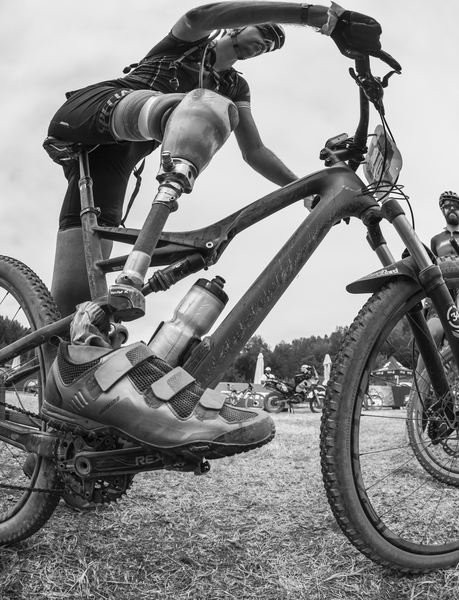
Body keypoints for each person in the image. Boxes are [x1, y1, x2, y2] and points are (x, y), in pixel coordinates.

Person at [41, 2, 400, 460]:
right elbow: (198, 16)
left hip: (116, 161)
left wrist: (304, 188)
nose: (265, 42)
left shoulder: (235, 84)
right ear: (238, 25)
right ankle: (133, 272)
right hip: (99, 109)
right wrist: (316, 17)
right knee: (203, 109)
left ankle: (55, 449)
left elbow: (256, 151)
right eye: (265, 32)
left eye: (272, 44)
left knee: (69, 310)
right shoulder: (190, 46)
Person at [416, 191, 459, 373]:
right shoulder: (436, 240)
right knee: (432, 333)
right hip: (443, 288)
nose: (451, 209)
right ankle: (418, 386)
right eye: (447, 206)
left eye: (455, 205)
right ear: (442, 211)